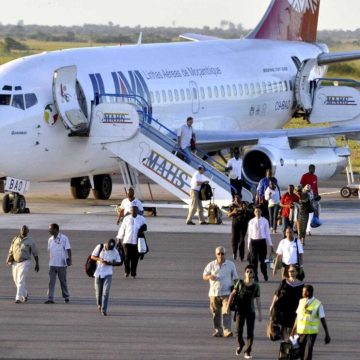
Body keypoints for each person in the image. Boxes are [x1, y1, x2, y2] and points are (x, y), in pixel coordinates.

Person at [203, 246, 238, 338]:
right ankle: (218, 331)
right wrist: (209, 277)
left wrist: (236, 290)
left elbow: (235, 278)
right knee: (216, 313)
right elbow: (204, 276)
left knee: (226, 312)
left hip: (227, 293)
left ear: (225, 254)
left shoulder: (230, 265)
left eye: (222, 253)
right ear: (216, 254)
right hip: (214, 293)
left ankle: (227, 331)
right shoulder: (211, 265)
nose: (221, 255)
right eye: (219, 253)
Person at [227, 265, 262, 359]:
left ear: (253, 274)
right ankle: (241, 344)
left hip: (250, 311)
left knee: (250, 332)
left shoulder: (256, 286)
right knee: (238, 331)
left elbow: (258, 300)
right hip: (240, 311)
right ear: (244, 273)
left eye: (251, 272)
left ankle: (247, 351)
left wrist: (260, 314)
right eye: (247, 271)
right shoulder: (239, 282)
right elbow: (232, 295)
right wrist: (227, 307)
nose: (249, 273)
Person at [291, 284, 331, 360]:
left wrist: (327, 334)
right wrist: (293, 330)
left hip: (311, 333)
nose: (302, 292)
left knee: (308, 352)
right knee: (301, 353)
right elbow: (298, 317)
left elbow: (322, 319)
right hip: (300, 333)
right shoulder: (301, 301)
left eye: (303, 291)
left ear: (308, 293)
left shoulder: (318, 304)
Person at [6, 225, 39, 303]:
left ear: (28, 231)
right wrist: (8, 259)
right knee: (16, 281)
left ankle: (18, 298)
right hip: (15, 262)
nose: (23, 231)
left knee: (21, 280)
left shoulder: (31, 241)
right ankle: (25, 294)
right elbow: (11, 249)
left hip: (25, 262)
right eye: (22, 229)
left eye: (25, 230)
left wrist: (37, 264)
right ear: (20, 230)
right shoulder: (15, 239)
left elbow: (35, 253)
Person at [269, 265, 304, 340]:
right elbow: (277, 294)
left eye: (292, 271)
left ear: (297, 272)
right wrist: (272, 305)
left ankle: (290, 342)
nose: (290, 273)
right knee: (284, 326)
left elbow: (303, 298)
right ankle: (286, 343)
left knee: (292, 327)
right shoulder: (284, 282)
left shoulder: (301, 285)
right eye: (289, 271)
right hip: (283, 307)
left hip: (294, 308)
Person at [91, 238, 122, 315]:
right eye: (109, 247)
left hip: (108, 274)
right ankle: (99, 304)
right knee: (98, 292)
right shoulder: (100, 247)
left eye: (111, 248)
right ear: (106, 244)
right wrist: (100, 260)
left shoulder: (115, 251)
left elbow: (119, 262)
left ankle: (104, 310)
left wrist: (111, 263)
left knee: (106, 292)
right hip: (98, 273)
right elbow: (92, 257)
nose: (110, 249)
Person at [116, 204, 147, 278]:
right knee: (126, 257)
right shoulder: (126, 218)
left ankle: (133, 273)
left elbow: (145, 227)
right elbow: (122, 229)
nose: (133, 212)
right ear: (130, 211)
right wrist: (119, 238)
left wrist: (142, 229)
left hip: (136, 242)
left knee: (135, 258)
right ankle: (127, 271)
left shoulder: (141, 218)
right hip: (127, 241)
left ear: (137, 211)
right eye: (132, 210)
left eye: (135, 211)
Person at [45, 223, 72, 304]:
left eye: (51, 229)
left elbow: (68, 249)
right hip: (52, 264)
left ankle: (66, 296)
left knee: (63, 281)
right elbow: (50, 251)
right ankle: (50, 298)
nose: (49, 230)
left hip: (62, 264)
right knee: (51, 282)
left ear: (56, 229)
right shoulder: (49, 240)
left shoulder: (64, 238)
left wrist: (70, 259)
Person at [247, 207, 274, 282]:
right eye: (256, 211)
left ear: (261, 212)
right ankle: (255, 276)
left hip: (262, 242)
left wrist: (270, 244)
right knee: (254, 261)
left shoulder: (265, 221)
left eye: (259, 211)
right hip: (253, 242)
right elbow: (249, 234)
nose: (257, 213)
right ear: (254, 212)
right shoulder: (251, 222)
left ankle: (264, 273)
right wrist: (248, 245)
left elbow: (267, 234)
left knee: (263, 261)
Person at [228, 196, 252, 261]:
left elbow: (250, 211)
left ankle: (241, 256)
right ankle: (234, 253)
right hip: (235, 224)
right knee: (234, 239)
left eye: (238, 198)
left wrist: (245, 209)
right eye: (235, 198)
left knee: (241, 241)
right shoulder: (232, 205)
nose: (237, 199)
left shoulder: (244, 204)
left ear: (240, 198)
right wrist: (233, 212)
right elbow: (228, 215)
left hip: (243, 225)